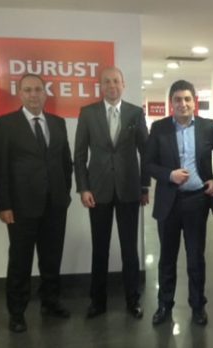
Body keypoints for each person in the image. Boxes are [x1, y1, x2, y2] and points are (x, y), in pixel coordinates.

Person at [0, 73, 73, 333]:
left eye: (38, 89)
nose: (33, 94)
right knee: (20, 261)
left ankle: (50, 302)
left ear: (45, 93)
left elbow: (66, 162)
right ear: (20, 94)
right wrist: (4, 205)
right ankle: (17, 312)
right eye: (27, 90)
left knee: (51, 258)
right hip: (21, 207)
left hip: (55, 204)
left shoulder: (58, 123)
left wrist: (65, 194)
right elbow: (0, 168)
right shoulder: (5, 124)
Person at [146, 79, 213, 326]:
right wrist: (169, 175)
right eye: (178, 99)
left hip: (197, 201)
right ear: (171, 103)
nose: (183, 104)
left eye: (187, 99)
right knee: (167, 258)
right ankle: (164, 305)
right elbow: (148, 164)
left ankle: (198, 306)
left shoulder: (208, 127)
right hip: (169, 201)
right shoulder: (159, 128)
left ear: (194, 102)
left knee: (195, 258)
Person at [74, 67, 149, 319]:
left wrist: (144, 186)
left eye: (116, 81)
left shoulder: (135, 113)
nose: (112, 85)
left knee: (130, 250)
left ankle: (133, 300)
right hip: (98, 191)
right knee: (100, 249)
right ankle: (98, 301)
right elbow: (79, 155)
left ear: (123, 84)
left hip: (129, 190)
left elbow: (146, 152)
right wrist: (83, 188)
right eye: (106, 81)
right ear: (100, 86)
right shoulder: (88, 113)